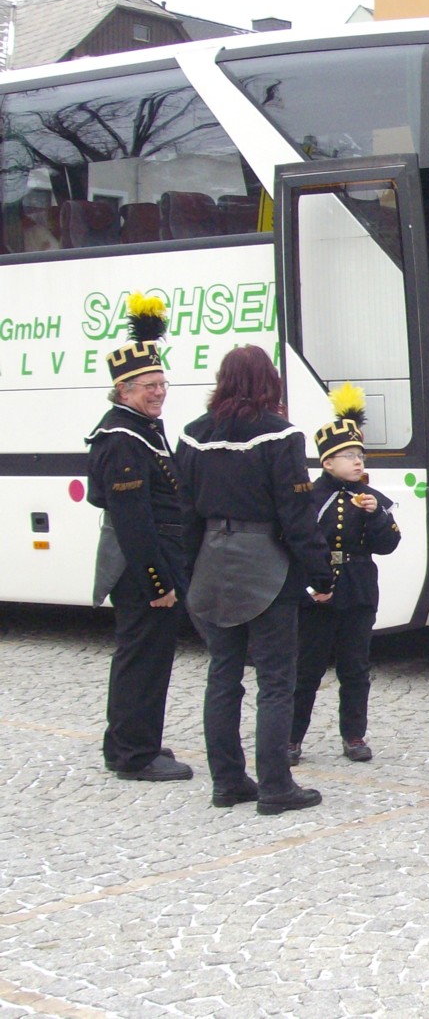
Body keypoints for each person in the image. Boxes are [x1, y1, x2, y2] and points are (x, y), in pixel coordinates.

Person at [179, 346, 334, 815]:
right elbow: (296, 513)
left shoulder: (192, 435)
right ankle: (275, 785)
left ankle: (227, 781)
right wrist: (319, 572)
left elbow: (184, 513)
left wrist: (190, 573)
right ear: (269, 382)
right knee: (275, 679)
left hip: (211, 558)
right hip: (264, 561)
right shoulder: (279, 435)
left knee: (222, 677)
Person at [85, 292, 193, 783]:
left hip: (158, 559)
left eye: (162, 383)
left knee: (144, 658)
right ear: (123, 390)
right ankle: (135, 754)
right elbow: (133, 522)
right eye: (149, 385)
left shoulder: (142, 429)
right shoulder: (122, 438)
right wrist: (158, 582)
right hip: (143, 568)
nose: (159, 392)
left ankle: (130, 741)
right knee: (143, 661)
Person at [289, 384, 402, 767]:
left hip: (357, 589)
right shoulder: (311, 497)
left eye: (359, 455)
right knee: (307, 669)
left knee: (356, 668)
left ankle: (353, 735)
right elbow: (299, 542)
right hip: (318, 593)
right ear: (327, 463)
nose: (357, 462)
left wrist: (377, 515)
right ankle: (291, 738)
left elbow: (388, 545)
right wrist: (309, 585)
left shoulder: (371, 498)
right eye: (348, 456)